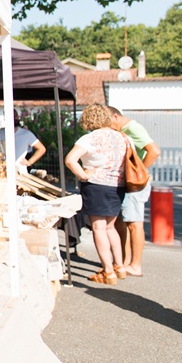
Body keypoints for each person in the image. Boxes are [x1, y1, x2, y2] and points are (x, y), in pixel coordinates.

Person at [64, 103, 129, 285]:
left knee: (98, 228)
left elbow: (70, 159)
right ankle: (119, 266)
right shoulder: (122, 138)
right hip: (118, 186)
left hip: (97, 186)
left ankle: (108, 271)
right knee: (111, 227)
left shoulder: (89, 138)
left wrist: (83, 175)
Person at [109, 106, 161, 277]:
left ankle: (135, 265)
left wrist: (140, 172)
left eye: (108, 123)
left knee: (134, 223)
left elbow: (154, 151)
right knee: (122, 222)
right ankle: (125, 262)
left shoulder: (133, 128)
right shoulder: (125, 129)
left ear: (115, 117)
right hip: (128, 184)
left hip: (135, 185)